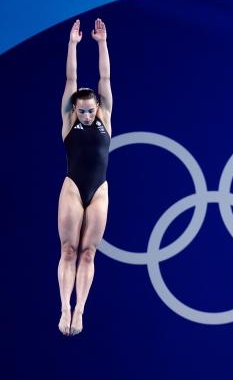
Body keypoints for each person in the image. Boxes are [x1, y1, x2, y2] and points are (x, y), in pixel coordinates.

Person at [57, 18, 113, 336]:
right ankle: (64, 308)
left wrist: (101, 43)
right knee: (69, 250)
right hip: (73, 188)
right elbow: (71, 78)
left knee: (88, 254)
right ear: (74, 110)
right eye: (82, 111)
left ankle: (80, 311)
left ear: (98, 108)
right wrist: (73, 45)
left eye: (91, 110)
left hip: (99, 190)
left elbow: (105, 77)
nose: (88, 115)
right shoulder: (69, 120)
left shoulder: (105, 117)